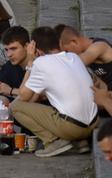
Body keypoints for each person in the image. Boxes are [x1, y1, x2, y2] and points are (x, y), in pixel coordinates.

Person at [10, 26, 99, 157]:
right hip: (93, 124)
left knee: (15, 106)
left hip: (72, 128)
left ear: (36, 49)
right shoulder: (73, 57)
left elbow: (23, 97)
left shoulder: (41, 62)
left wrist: (30, 62)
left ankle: (52, 142)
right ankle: (79, 142)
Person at [56, 25, 112, 94]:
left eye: (66, 51)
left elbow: (76, 62)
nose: (68, 55)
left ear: (74, 42)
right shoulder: (86, 53)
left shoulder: (99, 46)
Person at [0, 26, 31, 100]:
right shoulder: (10, 66)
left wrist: (11, 91)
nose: (9, 54)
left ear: (26, 46)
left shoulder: (39, 65)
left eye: (13, 49)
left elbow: (37, 96)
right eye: (6, 50)